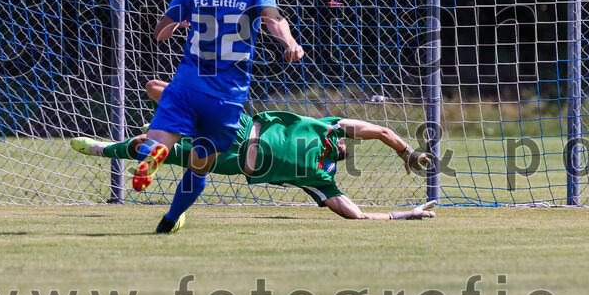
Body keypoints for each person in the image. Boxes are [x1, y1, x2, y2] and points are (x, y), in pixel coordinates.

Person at [139, 0, 304, 234]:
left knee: (158, 140)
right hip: (226, 99)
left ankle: (154, 152)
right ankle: (170, 220)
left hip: (187, 86)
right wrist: (289, 43)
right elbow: (274, 20)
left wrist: (178, 24)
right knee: (200, 164)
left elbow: (159, 32)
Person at [72, 80, 437, 224]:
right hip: (242, 127)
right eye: (346, 144)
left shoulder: (320, 180)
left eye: (344, 149)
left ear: (336, 157)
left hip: (232, 161)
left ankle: (102, 149)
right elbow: (384, 132)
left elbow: (355, 215)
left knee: (147, 144)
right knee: (156, 89)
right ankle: (128, 142)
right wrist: (408, 153)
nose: (346, 145)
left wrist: (405, 214)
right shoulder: (328, 127)